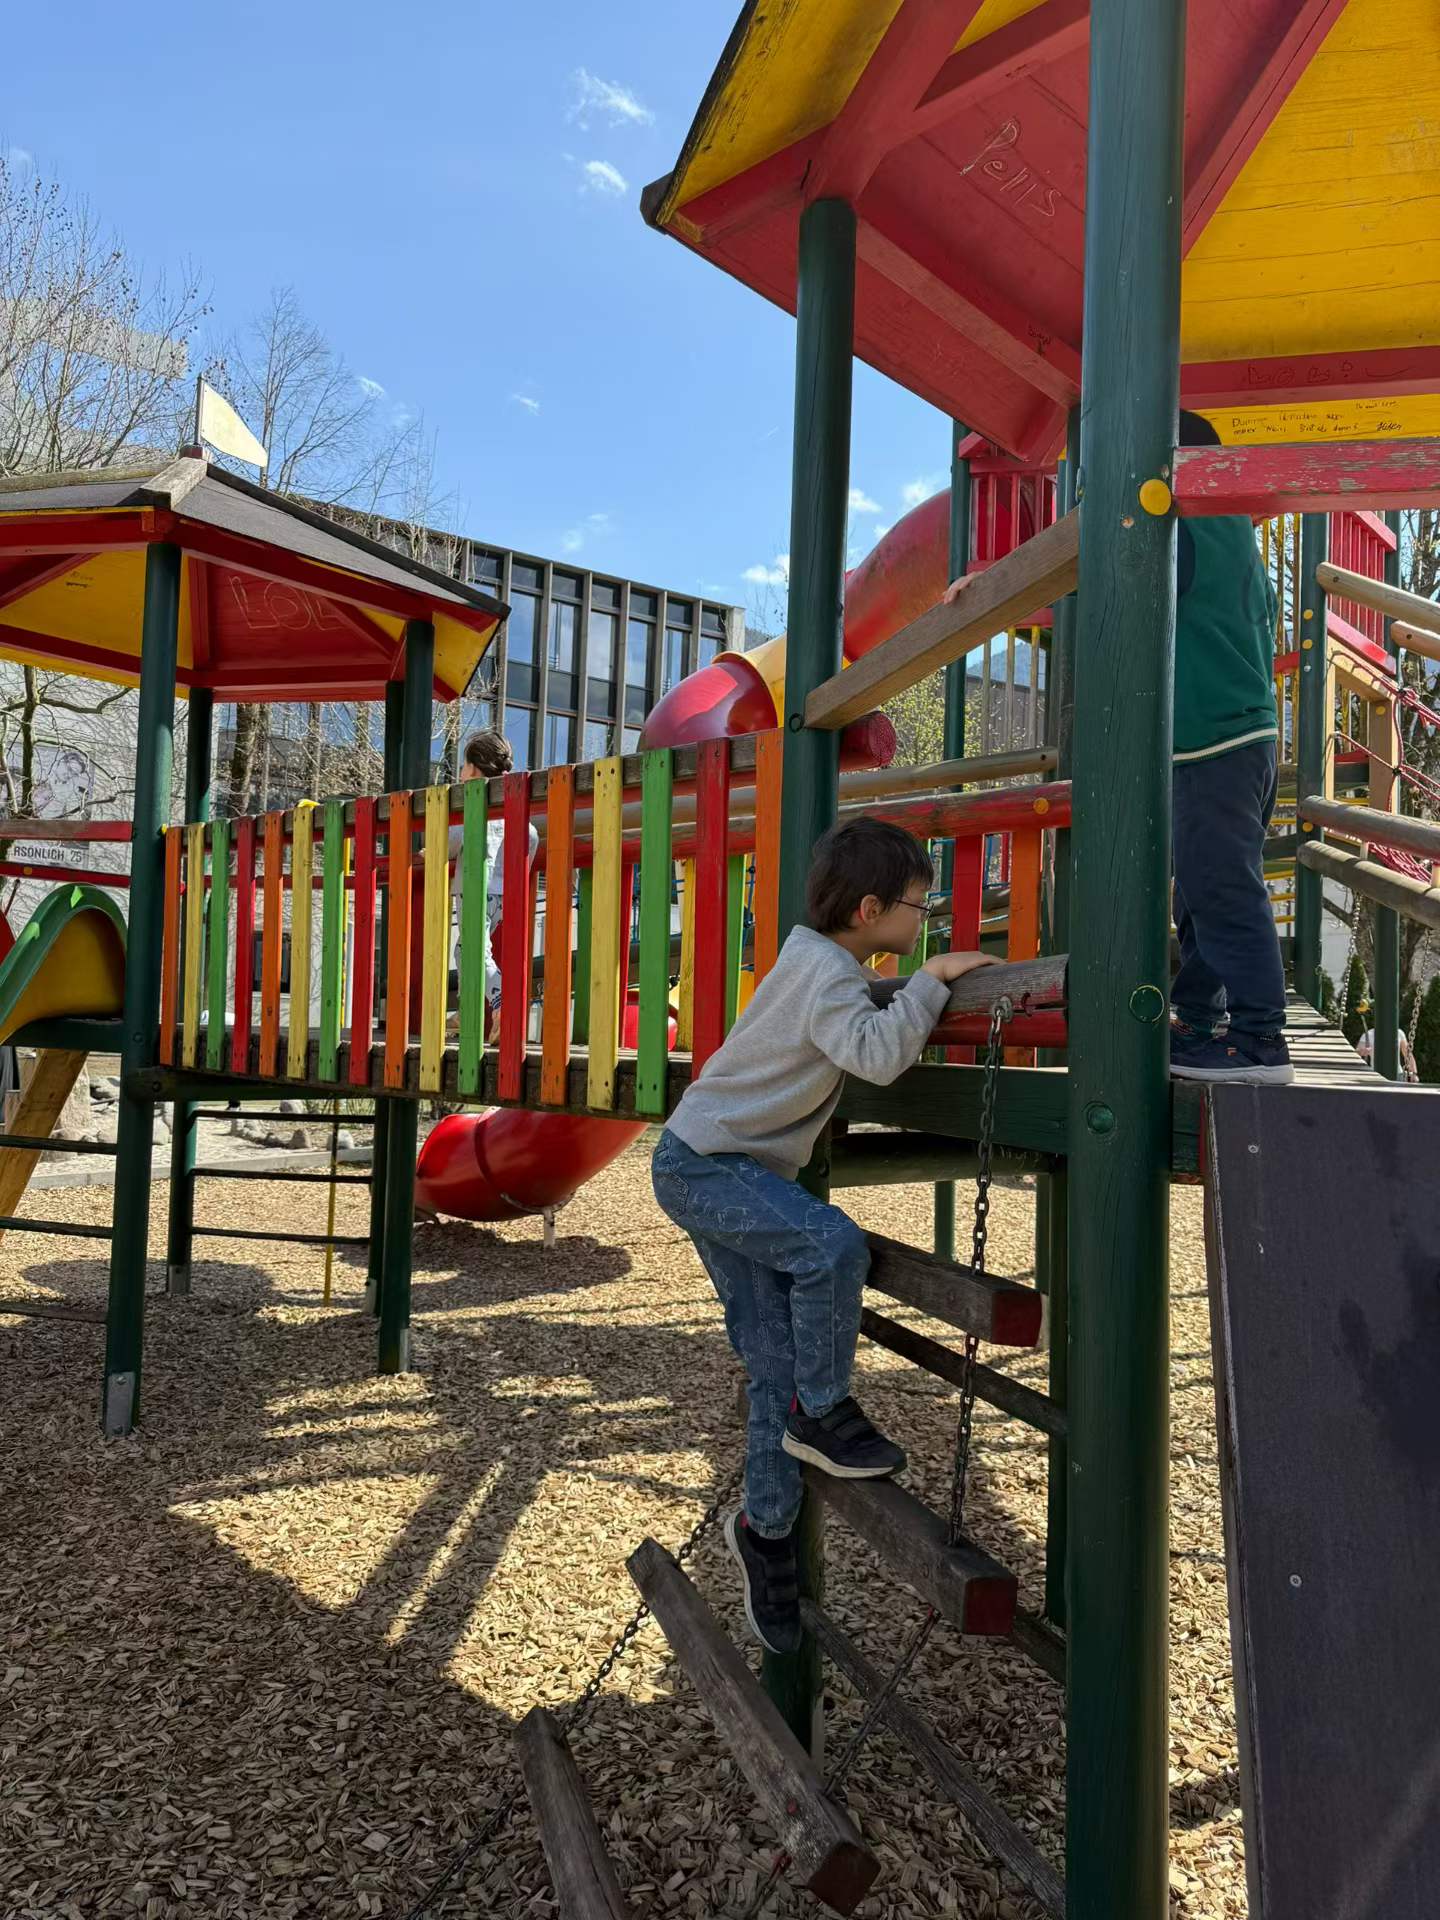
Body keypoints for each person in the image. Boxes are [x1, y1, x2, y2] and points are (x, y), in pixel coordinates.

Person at [651, 818, 998, 1653]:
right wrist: (932, 980)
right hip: (706, 1167)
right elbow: (878, 1057)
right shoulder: (827, 973)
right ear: (873, 909)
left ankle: (764, 1531)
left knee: (771, 1365)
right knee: (832, 1247)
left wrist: (898, 986)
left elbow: (851, 1031)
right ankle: (827, 1411)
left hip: (716, 1166)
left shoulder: (816, 963)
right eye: (920, 906)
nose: (927, 919)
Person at [944, 409, 1292, 1084]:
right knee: (1199, 891)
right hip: (1242, 740)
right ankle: (1201, 1020)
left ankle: (1258, 1040)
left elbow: (1106, 557)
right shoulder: (1232, 538)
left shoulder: (1187, 523)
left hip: (1211, 743)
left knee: (1218, 891)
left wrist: (991, 588)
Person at [450, 729, 539, 1028]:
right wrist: (518, 879)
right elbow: (532, 837)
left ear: (474, 769)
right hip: (500, 895)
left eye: (463, 765)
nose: (461, 772)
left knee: (471, 949)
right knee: (471, 947)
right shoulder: (509, 809)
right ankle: (468, 1011)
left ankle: (501, 999)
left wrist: (429, 851)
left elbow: (453, 839)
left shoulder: (477, 806)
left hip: (473, 891)